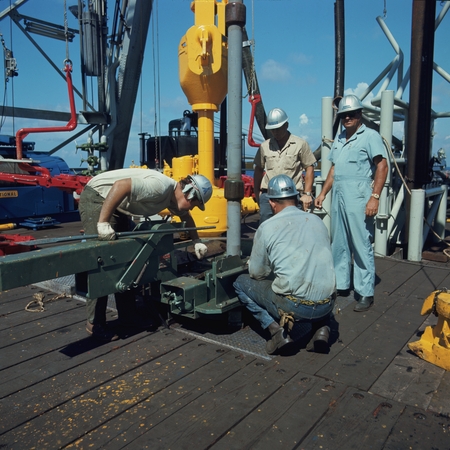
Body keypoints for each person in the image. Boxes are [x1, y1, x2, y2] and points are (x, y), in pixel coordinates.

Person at [78, 168, 213, 340]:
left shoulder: (173, 199)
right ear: (188, 193)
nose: (192, 208)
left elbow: (187, 217)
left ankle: (128, 318)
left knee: (127, 262)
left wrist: (196, 241)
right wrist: (103, 223)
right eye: (194, 204)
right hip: (98, 197)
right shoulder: (160, 187)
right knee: (102, 261)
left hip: (117, 205)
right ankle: (95, 323)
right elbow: (121, 186)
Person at [233, 174, 336, 355]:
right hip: (328, 304)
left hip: (295, 307)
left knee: (240, 283)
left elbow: (257, 273)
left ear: (272, 203)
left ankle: (276, 332)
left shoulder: (267, 227)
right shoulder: (317, 221)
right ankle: (322, 329)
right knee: (318, 281)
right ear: (296, 198)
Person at [314, 94, 388, 312]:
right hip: (338, 194)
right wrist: (323, 194)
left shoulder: (371, 136)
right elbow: (333, 170)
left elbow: (382, 167)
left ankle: (365, 292)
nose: (347, 118)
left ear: (359, 115)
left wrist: (374, 197)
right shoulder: (339, 138)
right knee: (339, 242)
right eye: (344, 115)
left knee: (361, 243)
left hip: (359, 194)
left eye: (351, 114)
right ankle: (343, 284)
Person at [253, 107, 316, 224]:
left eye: (278, 128)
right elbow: (258, 169)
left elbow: (309, 167)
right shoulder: (264, 147)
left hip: (292, 195)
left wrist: (307, 194)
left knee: (293, 228)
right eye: (273, 129)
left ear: (286, 125)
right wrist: (258, 194)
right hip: (269, 196)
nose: (275, 132)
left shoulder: (300, 144)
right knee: (267, 228)